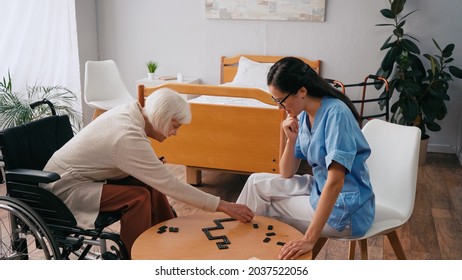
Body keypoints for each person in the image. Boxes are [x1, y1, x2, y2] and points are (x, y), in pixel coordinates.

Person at [42, 88, 254, 258]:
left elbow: (158, 179)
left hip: (83, 177)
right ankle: (134, 259)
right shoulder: (127, 136)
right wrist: (224, 206)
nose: (175, 133)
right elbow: (171, 185)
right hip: (64, 188)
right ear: (162, 117)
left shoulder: (132, 113)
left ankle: (169, 235)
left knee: (151, 181)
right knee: (138, 197)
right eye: (175, 126)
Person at [236, 57, 375, 260]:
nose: (280, 108)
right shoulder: (303, 114)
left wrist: (309, 239)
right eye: (276, 101)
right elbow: (287, 172)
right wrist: (290, 140)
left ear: (302, 91)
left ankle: (241, 256)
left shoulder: (336, 114)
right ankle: (238, 249)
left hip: (345, 208)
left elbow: (336, 182)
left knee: (264, 206)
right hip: (319, 187)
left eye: (281, 101)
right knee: (255, 182)